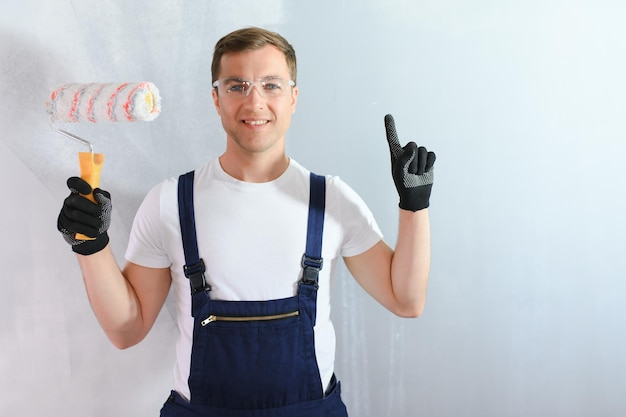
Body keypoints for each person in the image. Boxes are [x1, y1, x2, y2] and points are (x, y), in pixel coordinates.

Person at [57, 27, 436, 417]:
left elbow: (405, 300)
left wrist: (414, 206)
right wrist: (91, 245)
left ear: (293, 98)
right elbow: (126, 330)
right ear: (216, 99)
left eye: (271, 85)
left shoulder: (331, 200)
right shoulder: (170, 202)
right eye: (237, 86)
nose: (254, 102)